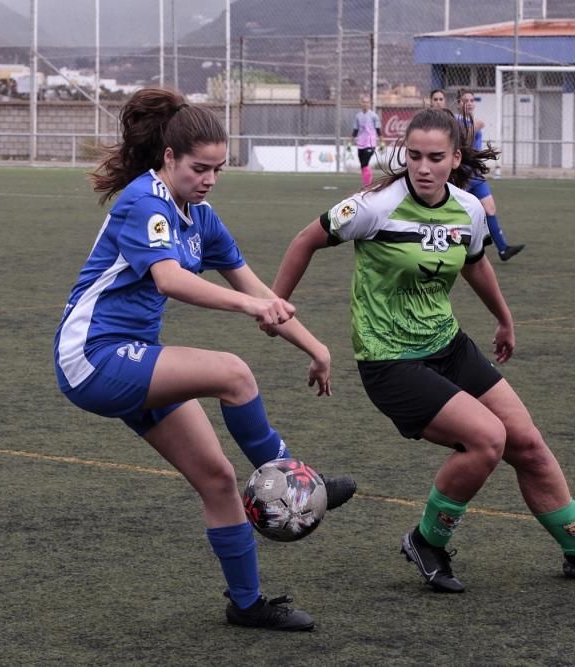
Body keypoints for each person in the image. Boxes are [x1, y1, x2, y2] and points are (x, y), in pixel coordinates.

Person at [271, 107, 575, 594]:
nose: (423, 168)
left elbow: (475, 264)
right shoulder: (372, 206)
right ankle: (427, 542)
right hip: (391, 360)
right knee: (488, 440)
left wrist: (503, 318)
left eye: (435, 158)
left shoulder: (466, 208)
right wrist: (277, 304)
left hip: (449, 346)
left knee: (527, 443)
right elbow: (305, 240)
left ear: (455, 158)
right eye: (414, 156)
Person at [53, 87, 356, 631]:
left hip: (135, 360)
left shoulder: (202, 215)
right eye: (199, 168)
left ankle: (247, 605)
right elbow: (170, 281)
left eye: (219, 168)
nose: (209, 178)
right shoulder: (143, 201)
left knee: (217, 478)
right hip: (92, 356)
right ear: (168, 158)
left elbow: (255, 285)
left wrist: (315, 346)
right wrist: (250, 306)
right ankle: (298, 478)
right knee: (232, 372)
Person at [456, 89, 524, 261]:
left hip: (475, 175)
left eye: (472, 100)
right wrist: (475, 127)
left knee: (490, 209)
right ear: (459, 104)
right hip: (461, 174)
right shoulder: (456, 121)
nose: (469, 103)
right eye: (465, 100)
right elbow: (463, 141)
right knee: (457, 213)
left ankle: (503, 249)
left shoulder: (473, 121)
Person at [350, 94, 382, 187]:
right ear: (361, 103)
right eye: (363, 102)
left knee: (365, 162)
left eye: (367, 102)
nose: (365, 104)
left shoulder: (374, 116)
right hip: (360, 143)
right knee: (363, 165)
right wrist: (350, 141)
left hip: (370, 143)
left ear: (370, 104)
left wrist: (382, 142)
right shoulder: (358, 116)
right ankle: (366, 183)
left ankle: (367, 185)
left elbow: (378, 129)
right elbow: (355, 130)